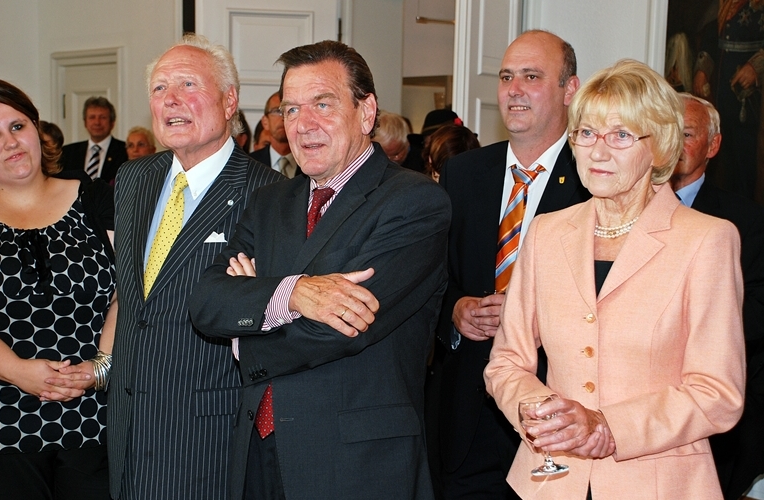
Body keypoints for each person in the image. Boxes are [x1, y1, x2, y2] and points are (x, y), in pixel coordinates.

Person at [189, 40, 450, 499]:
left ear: (365, 112)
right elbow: (206, 301)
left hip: (357, 464)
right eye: (290, 110)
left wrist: (246, 323)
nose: (303, 125)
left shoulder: (414, 203)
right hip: (256, 456)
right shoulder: (270, 201)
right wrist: (292, 294)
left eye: (322, 105)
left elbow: (345, 326)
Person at [484, 59, 746, 499]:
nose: (598, 151)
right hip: (550, 483)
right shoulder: (548, 232)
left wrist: (608, 427)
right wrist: (545, 416)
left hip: (659, 484)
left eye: (621, 135)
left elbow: (717, 392)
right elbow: (507, 361)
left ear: (661, 146)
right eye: (585, 133)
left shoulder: (707, 240)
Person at [107, 34, 283, 500]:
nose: (171, 100)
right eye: (160, 88)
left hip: (209, 437)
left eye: (188, 84)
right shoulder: (133, 178)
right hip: (126, 434)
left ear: (229, 101)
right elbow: (134, 301)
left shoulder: (269, 195)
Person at [0, 78, 117, 499]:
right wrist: (19, 372)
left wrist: (101, 368)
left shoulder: (96, 197)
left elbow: (127, 293)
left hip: (92, 419)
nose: (11, 143)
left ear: (37, 128)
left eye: (18, 126)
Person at [436, 29, 588, 500]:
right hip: (464, 419)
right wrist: (456, 310)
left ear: (570, 89)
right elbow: (431, 277)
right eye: (506, 76)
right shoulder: (464, 174)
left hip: (554, 416)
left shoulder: (593, 178)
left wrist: (531, 316)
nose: (514, 89)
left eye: (531, 76)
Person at [672, 92, 764, 500]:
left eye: (686, 134)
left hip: (709, 415)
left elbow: (757, 312)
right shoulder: (617, 211)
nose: (673, 144)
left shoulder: (743, 222)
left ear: (713, 145)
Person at [693, 0, 764, 202]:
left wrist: (756, 67)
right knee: (724, 163)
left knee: (747, 165)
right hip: (722, 94)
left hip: (752, 101)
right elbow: (710, 37)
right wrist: (702, 70)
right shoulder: (724, 4)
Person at [60, 96, 128, 183]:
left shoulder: (125, 151)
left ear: (112, 123)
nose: (97, 122)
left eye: (103, 117)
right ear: (85, 122)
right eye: (92, 117)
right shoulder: (68, 153)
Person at [250, 91, 300, 178]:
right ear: (265, 122)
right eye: (277, 111)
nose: (283, 117)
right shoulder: (250, 163)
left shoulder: (312, 161)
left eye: (291, 110)